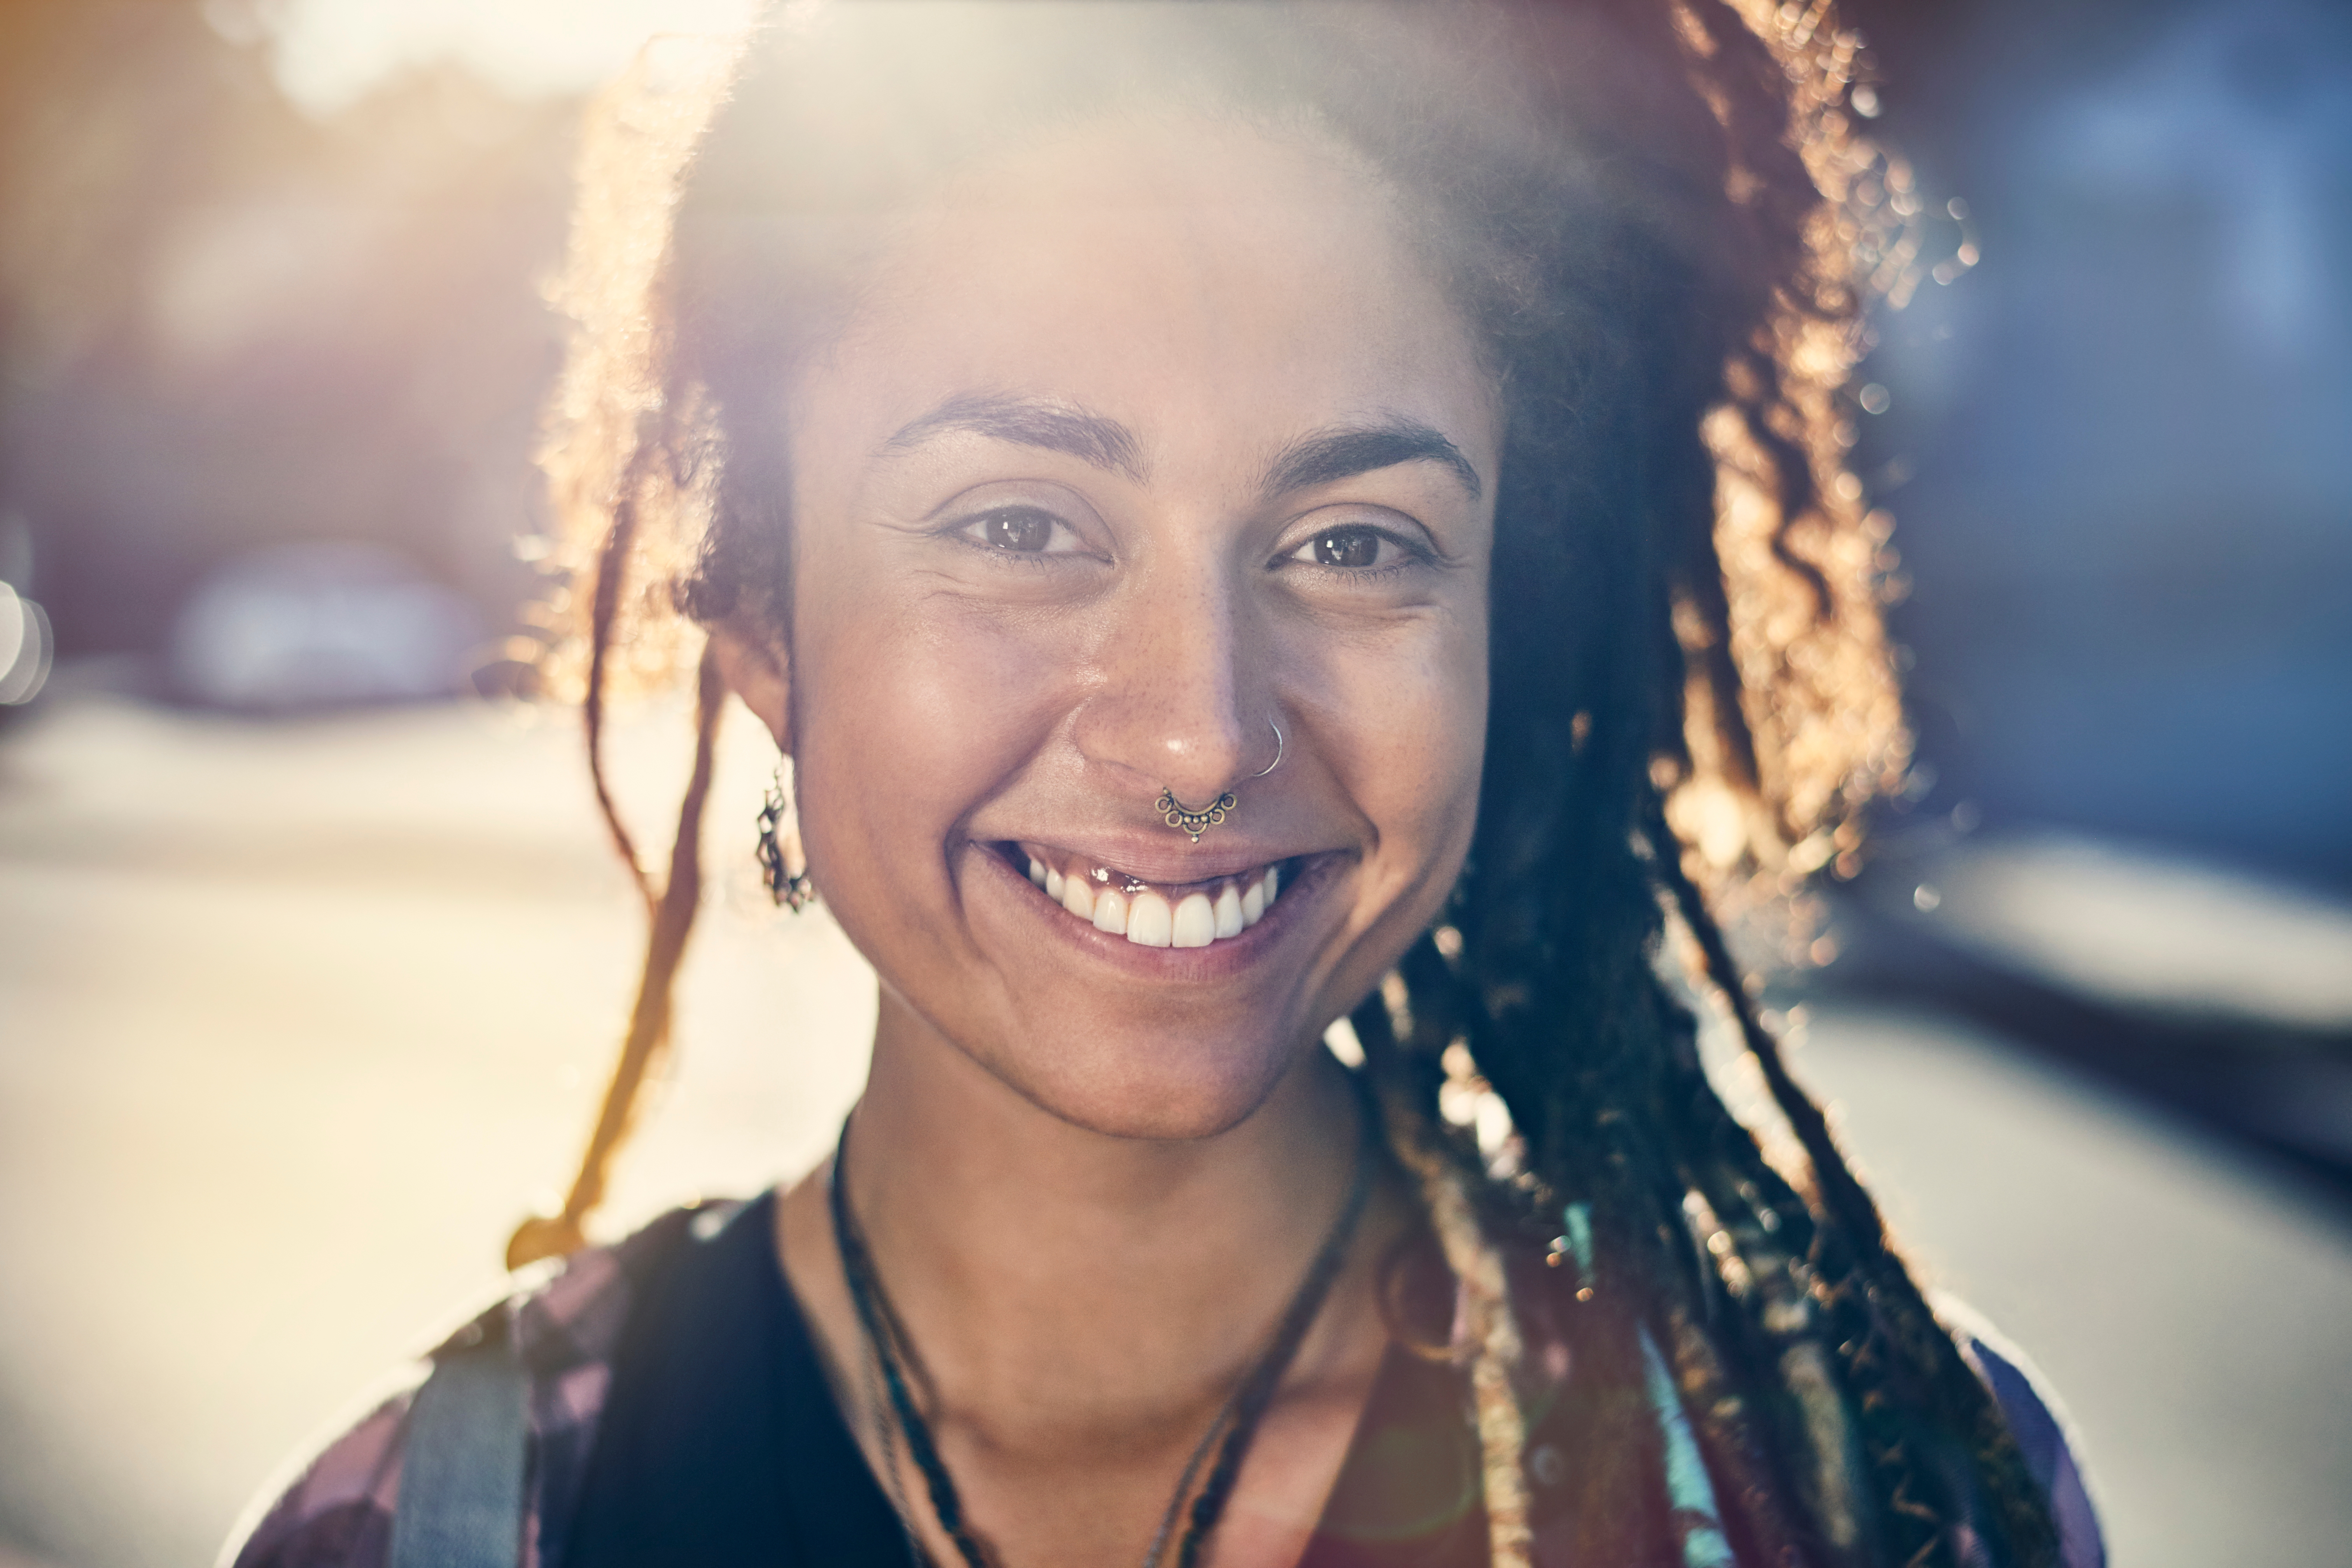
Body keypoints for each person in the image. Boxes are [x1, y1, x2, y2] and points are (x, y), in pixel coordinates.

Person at [226, 3, 2104, 1566]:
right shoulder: (440, 1530)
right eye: (1025, 524)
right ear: (765, 635)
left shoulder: (1876, 1492)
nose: (1205, 732)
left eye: (1358, 545)